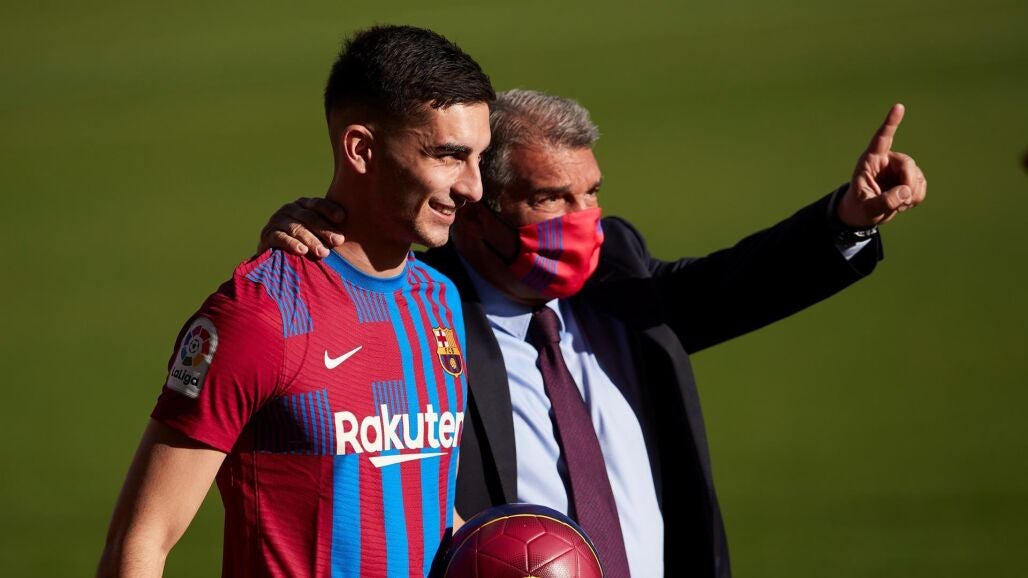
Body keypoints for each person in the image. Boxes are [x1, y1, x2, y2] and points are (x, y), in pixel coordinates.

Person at [260, 90, 926, 577]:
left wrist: (849, 218)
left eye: (591, 193)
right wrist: (303, 244)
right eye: (550, 198)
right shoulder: (421, 313)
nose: (584, 221)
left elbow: (729, 287)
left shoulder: (617, 275)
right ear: (475, 210)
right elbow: (328, 350)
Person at [97, 25, 494, 577]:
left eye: (478, 158)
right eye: (449, 156)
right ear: (361, 149)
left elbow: (418, 500)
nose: (473, 187)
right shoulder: (260, 316)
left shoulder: (439, 301)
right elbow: (140, 541)